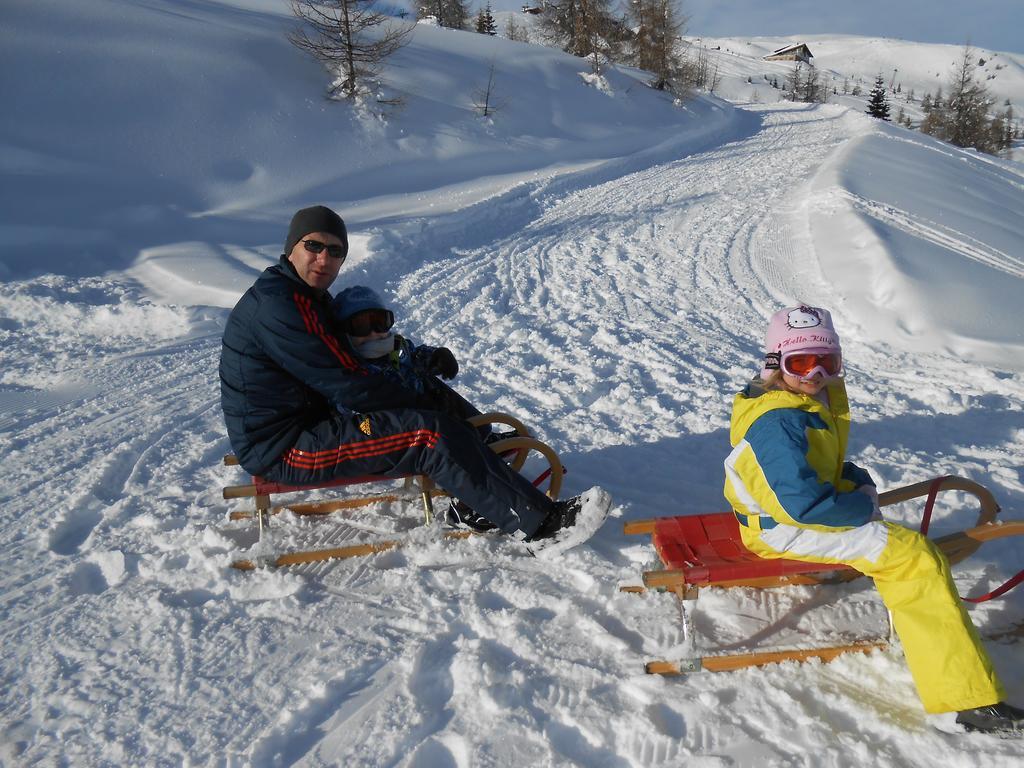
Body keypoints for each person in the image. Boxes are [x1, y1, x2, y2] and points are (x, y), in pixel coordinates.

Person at [219, 205, 609, 555]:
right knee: (427, 434)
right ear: (291, 247)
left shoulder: (300, 295)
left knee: (426, 402)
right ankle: (541, 528)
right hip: (284, 447)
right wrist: (416, 404)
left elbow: (352, 362)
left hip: (309, 423)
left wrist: (418, 379)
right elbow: (348, 382)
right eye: (313, 246)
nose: (324, 258)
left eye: (335, 251)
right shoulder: (281, 305)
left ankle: (480, 466)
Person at [723, 305, 1023, 735]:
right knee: (914, 558)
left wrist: (852, 478)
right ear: (775, 363)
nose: (816, 375)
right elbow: (801, 506)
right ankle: (964, 703)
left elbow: (808, 470)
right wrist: (862, 506)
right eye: (801, 363)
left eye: (828, 362)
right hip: (784, 530)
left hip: (791, 513)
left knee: (910, 552)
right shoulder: (780, 422)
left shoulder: (798, 401)